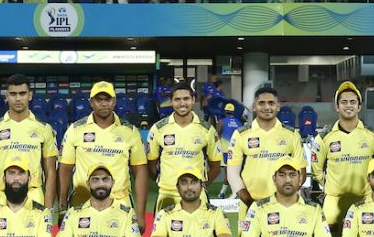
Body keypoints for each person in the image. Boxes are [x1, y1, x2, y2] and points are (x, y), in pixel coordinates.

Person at [313, 81, 374, 237]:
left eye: (353, 102)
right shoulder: (324, 137)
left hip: (365, 201)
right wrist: (330, 187)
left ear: (359, 106)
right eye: (344, 102)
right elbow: (317, 170)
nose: (348, 106)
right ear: (336, 106)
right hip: (334, 203)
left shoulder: (373, 135)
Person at [59, 82, 147, 223]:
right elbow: (64, 169)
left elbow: (140, 172)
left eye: (108, 99)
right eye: (99, 100)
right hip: (82, 201)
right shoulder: (75, 130)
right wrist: (62, 206)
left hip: (120, 202)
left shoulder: (130, 132)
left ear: (114, 101)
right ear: (91, 102)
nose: (104, 103)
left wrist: (141, 214)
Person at [0, 74, 58, 210]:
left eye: (22, 93)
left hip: (33, 196)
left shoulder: (44, 129)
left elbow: (50, 173)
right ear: (6, 96)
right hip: (2, 196)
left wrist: (48, 209)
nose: (18, 98)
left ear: (30, 95)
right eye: (13, 94)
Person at [146, 81, 222, 212]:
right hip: (167, 194)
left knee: (200, 233)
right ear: (171, 101)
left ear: (193, 100)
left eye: (186, 98)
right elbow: (151, 163)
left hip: (197, 196)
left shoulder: (207, 130)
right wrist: (162, 181)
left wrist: (200, 186)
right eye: (177, 99)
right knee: (163, 233)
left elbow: (215, 167)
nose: (182, 103)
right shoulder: (158, 129)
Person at [227, 85, 303, 208]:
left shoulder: (292, 134)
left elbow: (301, 172)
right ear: (254, 106)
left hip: (284, 205)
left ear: (278, 106)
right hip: (250, 203)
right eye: (262, 103)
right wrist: (249, 202)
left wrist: (286, 199)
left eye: (271, 103)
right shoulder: (240, 134)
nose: (267, 107)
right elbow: (232, 173)